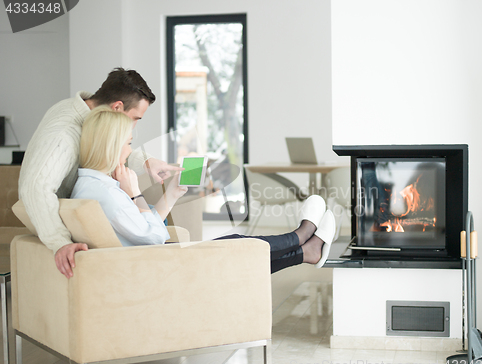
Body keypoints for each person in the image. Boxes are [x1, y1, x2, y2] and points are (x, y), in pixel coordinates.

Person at [69, 106, 336, 278]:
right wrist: (135, 193)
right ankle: (301, 237)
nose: (129, 152)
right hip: (155, 268)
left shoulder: (95, 185)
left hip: (154, 261)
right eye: (127, 144)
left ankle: (306, 251)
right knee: (237, 247)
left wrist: (172, 192)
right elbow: (152, 236)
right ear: (111, 146)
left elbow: (141, 226)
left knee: (236, 247)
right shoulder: (104, 193)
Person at [19, 68, 182, 277]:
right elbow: (35, 188)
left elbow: (106, 145)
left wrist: (147, 162)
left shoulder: (76, 111)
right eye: (135, 118)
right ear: (116, 108)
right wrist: (59, 242)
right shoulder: (65, 134)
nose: (132, 126)